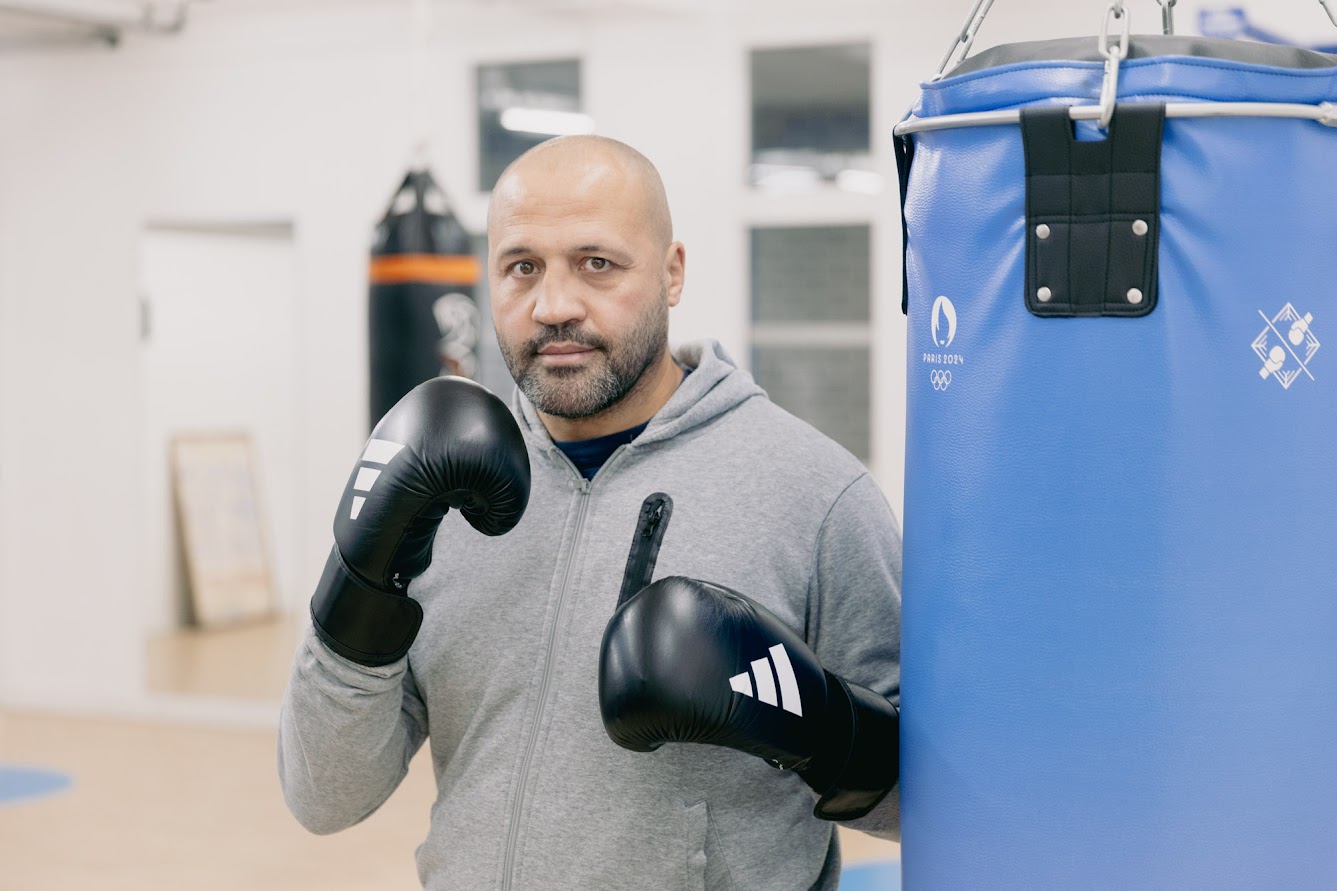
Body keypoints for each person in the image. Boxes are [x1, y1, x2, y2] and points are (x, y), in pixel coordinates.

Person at [278, 135, 903, 890]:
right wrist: (357, 587)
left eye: (596, 263)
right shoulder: (439, 490)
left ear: (672, 273)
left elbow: (924, 802)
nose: (554, 305)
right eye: (521, 267)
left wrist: (820, 725)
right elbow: (324, 796)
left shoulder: (812, 494)